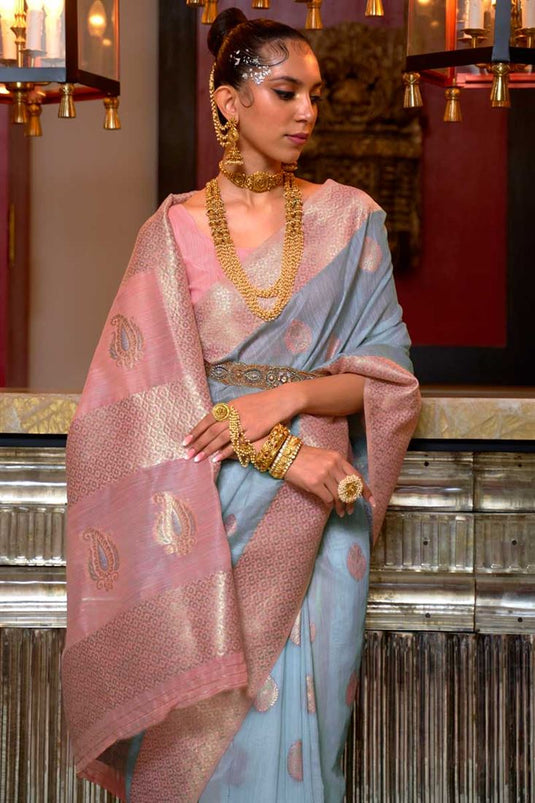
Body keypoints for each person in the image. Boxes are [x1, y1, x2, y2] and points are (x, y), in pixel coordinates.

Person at [62, 8, 421, 802]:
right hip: (205, 509)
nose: (306, 112)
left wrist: (288, 397)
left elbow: (387, 380)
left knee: (306, 733)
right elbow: (135, 407)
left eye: (315, 95)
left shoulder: (350, 217)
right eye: (285, 92)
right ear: (228, 100)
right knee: (203, 732)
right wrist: (280, 450)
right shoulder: (171, 231)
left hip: (316, 515)